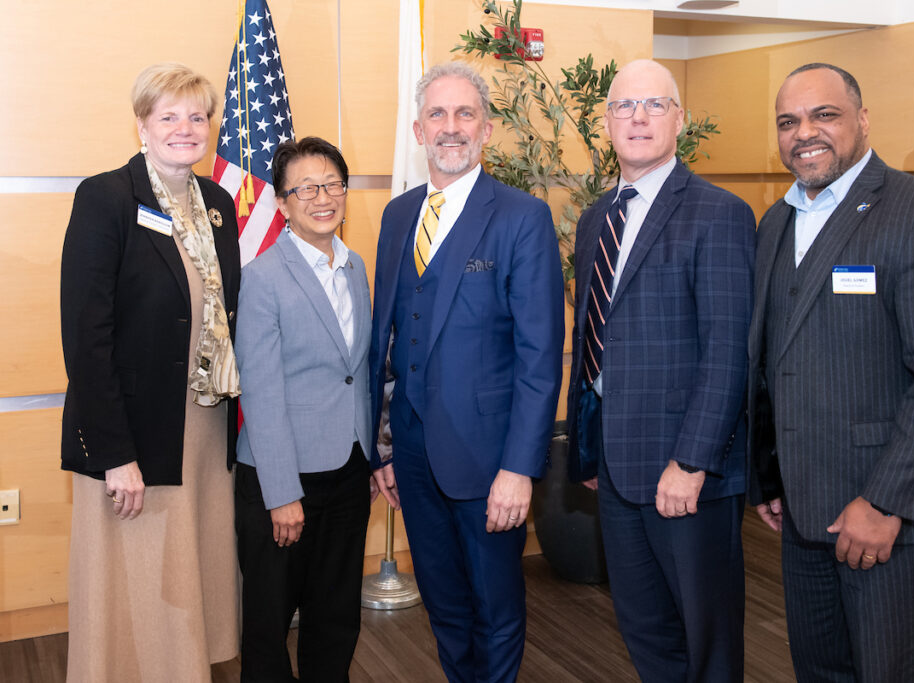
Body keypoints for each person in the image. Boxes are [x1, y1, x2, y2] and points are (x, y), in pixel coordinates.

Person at [747, 63, 914, 682]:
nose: (805, 132)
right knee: (819, 669)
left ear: (862, 119)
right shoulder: (776, 222)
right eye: (788, 121)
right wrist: (769, 473)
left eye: (823, 115)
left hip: (884, 512)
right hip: (802, 509)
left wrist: (885, 501)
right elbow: (773, 362)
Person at [369, 61, 564, 682]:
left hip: (488, 461)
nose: (451, 127)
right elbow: (389, 342)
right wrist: (386, 449)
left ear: (485, 129)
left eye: (465, 114)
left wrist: (519, 469)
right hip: (415, 458)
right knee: (445, 603)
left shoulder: (521, 217)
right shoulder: (398, 216)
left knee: (495, 607)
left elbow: (540, 356)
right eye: (437, 115)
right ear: (420, 130)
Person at [565, 59, 754, 682]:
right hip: (617, 471)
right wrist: (590, 452)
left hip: (685, 472)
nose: (638, 117)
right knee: (646, 630)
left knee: (707, 641)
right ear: (607, 122)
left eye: (654, 104)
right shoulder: (597, 218)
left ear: (680, 119)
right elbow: (596, 338)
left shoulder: (717, 213)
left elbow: (728, 348)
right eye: (624, 106)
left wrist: (692, 461)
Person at [60, 62, 241, 682]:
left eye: (197, 116)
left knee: (188, 577)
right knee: (134, 586)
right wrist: (114, 454)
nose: (184, 128)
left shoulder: (217, 204)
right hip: (131, 434)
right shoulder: (106, 197)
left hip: (202, 427)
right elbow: (86, 338)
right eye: (169, 116)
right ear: (143, 125)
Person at [233, 136, 374, 682]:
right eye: (305, 188)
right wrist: (282, 492)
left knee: (336, 615)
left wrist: (371, 456)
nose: (322, 197)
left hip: (346, 470)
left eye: (332, 184)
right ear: (282, 201)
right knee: (269, 623)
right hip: (281, 478)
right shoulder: (264, 276)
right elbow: (262, 392)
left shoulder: (356, 265)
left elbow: (353, 371)